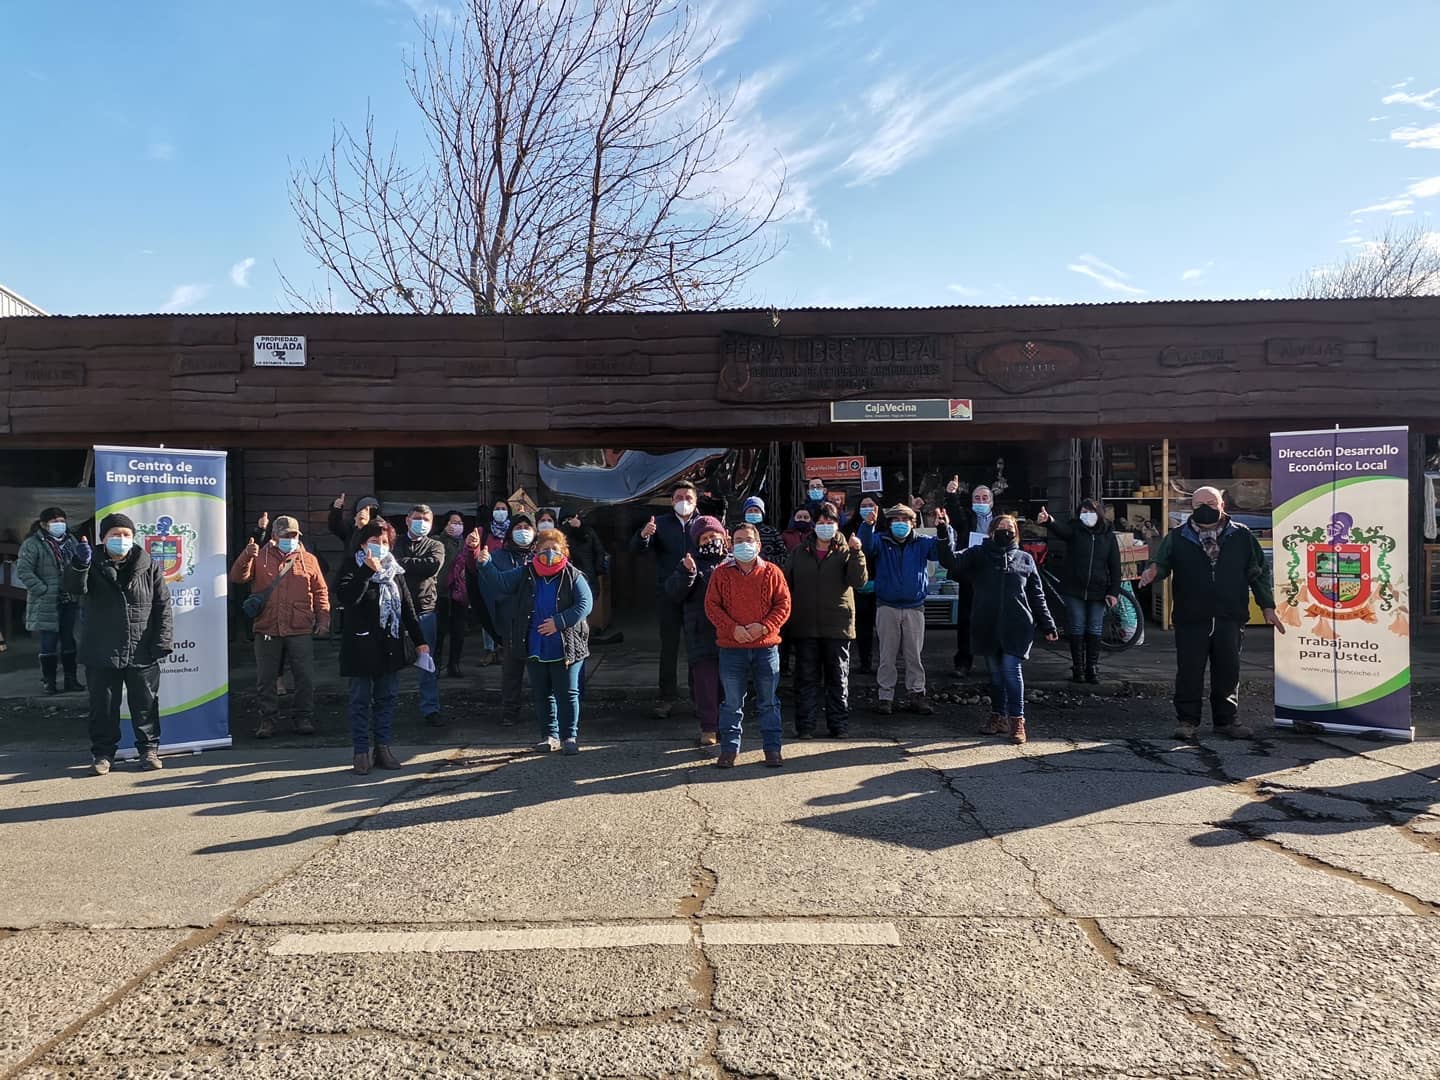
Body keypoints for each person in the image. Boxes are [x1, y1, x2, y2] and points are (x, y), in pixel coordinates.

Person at [1139, 486, 1283, 741]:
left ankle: (1227, 721)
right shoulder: (1178, 536)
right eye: (1199, 504)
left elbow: (1258, 572)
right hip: (1191, 615)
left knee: (1228, 669)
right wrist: (1153, 572)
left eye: (1210, 502)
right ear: (1191, 508)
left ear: (1222, 505)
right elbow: (1161, 562)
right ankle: (1187, 721)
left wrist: (1267, 606)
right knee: (1189, 670)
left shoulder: (1242, 535)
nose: (1205, 507)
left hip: (1230, 614)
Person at [62, 514, 172, 775]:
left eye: (125, 534)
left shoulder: (148, 565)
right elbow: (74, 588)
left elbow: (162, 605)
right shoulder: (91, 563)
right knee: (103, 706)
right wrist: (80, 563)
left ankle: (148, 750)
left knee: (145, 704)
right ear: (103, 539)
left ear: (133, 538)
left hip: (141, 647)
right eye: (114, 535)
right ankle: (102, 754)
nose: (120, 539)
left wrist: (162, 640)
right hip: (101, 649)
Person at [477, 527, 593, 754]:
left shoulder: (573, 575)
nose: (549, 553)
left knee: (568, 692)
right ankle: (549, 735)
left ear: (564, 552)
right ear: (536, 551)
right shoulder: (526, 572)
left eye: (555, 549)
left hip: (565, 643)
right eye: (545, 549)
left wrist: (559, 622)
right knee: (542, 693)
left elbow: (584, 604)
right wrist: (485, 564)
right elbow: (500, 583)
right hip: (534, 644)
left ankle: (570, 736)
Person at [953, 514, 1059, 745]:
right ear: (991, 532)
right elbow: (952, 562)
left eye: (1009, 527)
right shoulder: (979, 555)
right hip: (987, 623)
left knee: (1011, 670)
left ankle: (1017, 720)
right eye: (1001, 527)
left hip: (1017, 625)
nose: (1005, 530)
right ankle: (997, 715)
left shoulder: (1025, 559)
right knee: (996, 675)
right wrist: (943, 533)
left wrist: (1047, 623)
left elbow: (1036, 595)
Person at [336, 519, 430, 774]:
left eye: (384, 542)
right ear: (363, 544)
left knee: (386, 699)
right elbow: (346, 598)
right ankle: (361, 751)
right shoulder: (351, 566)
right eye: (374, 542)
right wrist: (366, 571)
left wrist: (420, 641)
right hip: (361, 647)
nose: (380, 547)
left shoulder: (395, 571)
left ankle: (383, 748)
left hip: (390, 646)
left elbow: (408, 609)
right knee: (360, 701)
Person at [229, 514, 330, 737]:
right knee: (266, 678)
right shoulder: (259, 556)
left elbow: (321, 591)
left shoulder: (309, 559)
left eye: (295, 535)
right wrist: (246, 556)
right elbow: (237, 577)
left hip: (300, 626)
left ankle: (303, 717)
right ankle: (268, 720)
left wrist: (323, 620)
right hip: (267, 625)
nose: (291, 538)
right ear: (274, 536)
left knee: (304, 676)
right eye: (287, 535)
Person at [857, 502, 960, 716]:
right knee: (887, 655)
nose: (900, 524)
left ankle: (917, 695)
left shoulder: (922, 543)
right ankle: (885, 696)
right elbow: (865, 547)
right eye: (896, 520)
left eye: (905, 520)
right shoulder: (881, 540)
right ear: (890, 523)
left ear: (913, 523)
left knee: (914, 655)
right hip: (887, 605)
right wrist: (867, 526)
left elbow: (943, 552)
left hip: (915, 607)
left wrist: (944, 528)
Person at [704, 522, 792, 768]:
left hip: (766, 647)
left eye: (749, 540)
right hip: (732, 648)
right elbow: (712, 606)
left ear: (758, 545)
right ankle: (729, 749)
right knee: (732, 702)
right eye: (739, 540)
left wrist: (762, 627)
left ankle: (773, 749)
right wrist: (733, 629)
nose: (744, 545)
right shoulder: (721, 573)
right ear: (731, 544)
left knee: (769, 701)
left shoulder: (773, 572)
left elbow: (783, 606)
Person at [785, 502, 867, 738]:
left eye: (829, 522)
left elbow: (858, 581)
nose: (825, 526)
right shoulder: (799, 552)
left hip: (838, 627)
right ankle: (806, 727)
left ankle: (839, 726)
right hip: (805, 626)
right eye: (820, 522)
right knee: (806, 680)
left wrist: (857, 552)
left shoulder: (846, 550)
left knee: (838, 679)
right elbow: (785, 584)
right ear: (813, 524)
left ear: (837, 524)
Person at [630, 480, 700, 719]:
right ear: (672, 501)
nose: (684, 502)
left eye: (688, 498)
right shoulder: (659, 523)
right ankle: (666, 697)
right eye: (679, 497)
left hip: (697, 593)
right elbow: (637, 550)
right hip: (669, 592)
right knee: (669, 647)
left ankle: (699, 697)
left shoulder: (704, 524)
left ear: (696, 501)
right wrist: (643, 536)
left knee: (697, 647)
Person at [1037, 499, 1121, 684]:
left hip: (1098, 590)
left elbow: (1115, 566)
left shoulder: (1108, 534)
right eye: (1083, 511)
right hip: (1074, 588)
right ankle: (1078, 669)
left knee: (1094, 628)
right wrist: (1049, 520)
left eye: (1090, 511)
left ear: (1098, 512)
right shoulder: (1075, 528)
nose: (1086, 514)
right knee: (1076, 627)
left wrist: (1113, 591)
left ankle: (1092, 668)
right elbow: (1061, 530)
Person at [665, 516, 728, 747]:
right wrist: (687, 574)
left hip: (731, 634)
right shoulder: (690, 563)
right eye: (705, 537)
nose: (711, 540)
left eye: (714, 535)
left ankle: (728, 726)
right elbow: (673, 593)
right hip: (700, 634)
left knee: (729, 684)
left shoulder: (733, 561)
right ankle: (709, 727)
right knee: (705, 685)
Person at [16, 507, 83, 695]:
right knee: (49, 642)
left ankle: (71, 679)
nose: (59, 525)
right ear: (44, 524)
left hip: (69, 598)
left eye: (62, 520)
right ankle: (49, 682)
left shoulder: (71, 541)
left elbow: (78, 565)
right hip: (46, 600)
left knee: (69, 640)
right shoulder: (33, 544)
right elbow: (24, 571)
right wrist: (42, 589)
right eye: (54, 522)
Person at [483, 510, 538, 726]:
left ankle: (545, 710)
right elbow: (494, 585)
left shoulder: (542, 555)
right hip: (511, 621)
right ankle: (510, 710)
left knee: (540, 669)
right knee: (512, 671)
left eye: (527, 528)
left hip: (537, 622)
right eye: (518, 528)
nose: (522, 532)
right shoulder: (499, 557)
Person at [394, 504, 445, 726]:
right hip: (395, 610)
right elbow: (391, 564)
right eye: (417, 518)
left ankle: (430, 708)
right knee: (392, 660)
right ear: (407, 520)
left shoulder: (436, 545)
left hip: (425, 610)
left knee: (427, 661)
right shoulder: (395, 542)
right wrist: (405, 564)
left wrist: (403, 563)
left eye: (426, 519)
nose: (421, 522)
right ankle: (388, 705)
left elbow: (432, 566)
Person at [943, 478, 996, 678]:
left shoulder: (1001, 519)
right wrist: (951, 496)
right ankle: (963, 662)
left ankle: (994, 662)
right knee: (966, 620)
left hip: (994, 576)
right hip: (971, 575)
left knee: (994, 620)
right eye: (977, 498)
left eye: (985, 498)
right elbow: (954, 516)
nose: (981, 501)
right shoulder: (966, 517)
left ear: (991, 502)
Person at [435, 511, 479, 678]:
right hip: (442, 592)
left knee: (458, 631)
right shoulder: (438, 542)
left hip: (460, 594)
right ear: (445, 524)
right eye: (453, 522)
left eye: (460, 522)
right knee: (440, 631)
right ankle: (437, 662)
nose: (457, 526)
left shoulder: (465, 543)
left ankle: (454, 664)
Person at [843, 497, 882, 673]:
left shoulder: (885, 529)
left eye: (871, 506)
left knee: (883, 629)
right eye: (863, 506)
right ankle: (864, 663)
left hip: (880, 585)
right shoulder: (848, 530)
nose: (867, 509)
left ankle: (885, 664)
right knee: (862, 627)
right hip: (857, 586)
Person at [737, 496, 785, 565]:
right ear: (745, 514)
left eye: (756, 511)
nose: (753, 513)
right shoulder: (738, 531)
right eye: (750, 511)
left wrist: (764, 561)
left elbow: (783, 555)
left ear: (762, 514)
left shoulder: (772, 532)